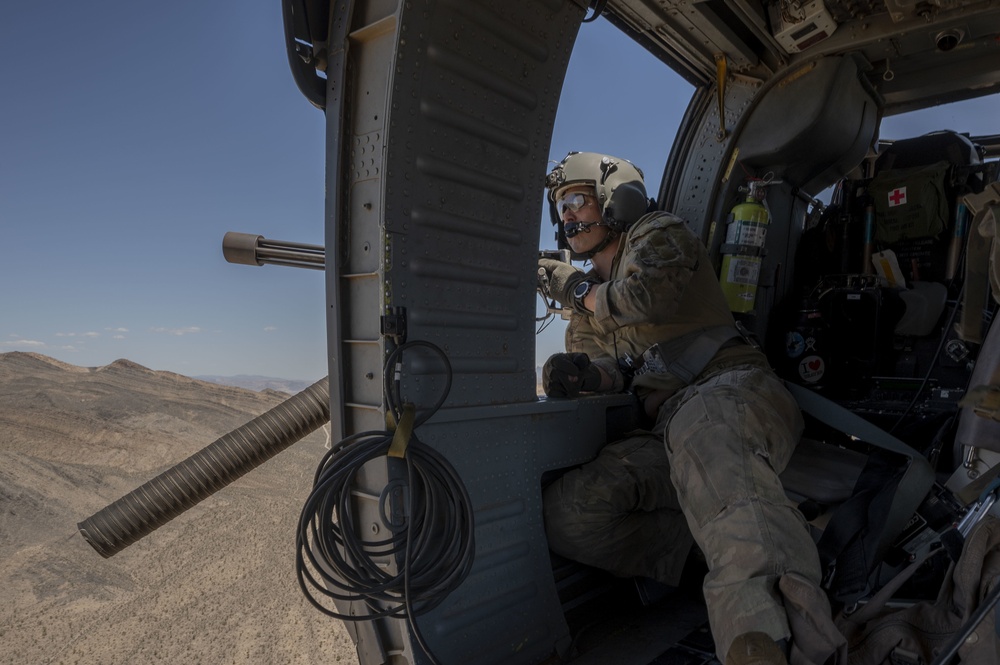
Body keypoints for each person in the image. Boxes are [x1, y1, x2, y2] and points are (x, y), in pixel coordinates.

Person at [537, 152, 833, 665]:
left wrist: (576, 288)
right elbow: (614, 375)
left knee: (708, 439)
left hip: (731, 388)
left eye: (577, 201)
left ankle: (772, 636)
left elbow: (644, 297)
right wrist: (581, 375)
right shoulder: (582, 310)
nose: (568, 217)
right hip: (665, 429)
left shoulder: (658, 233)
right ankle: (743, 545)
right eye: (561, 208)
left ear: (615, 197)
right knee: (571, 515)